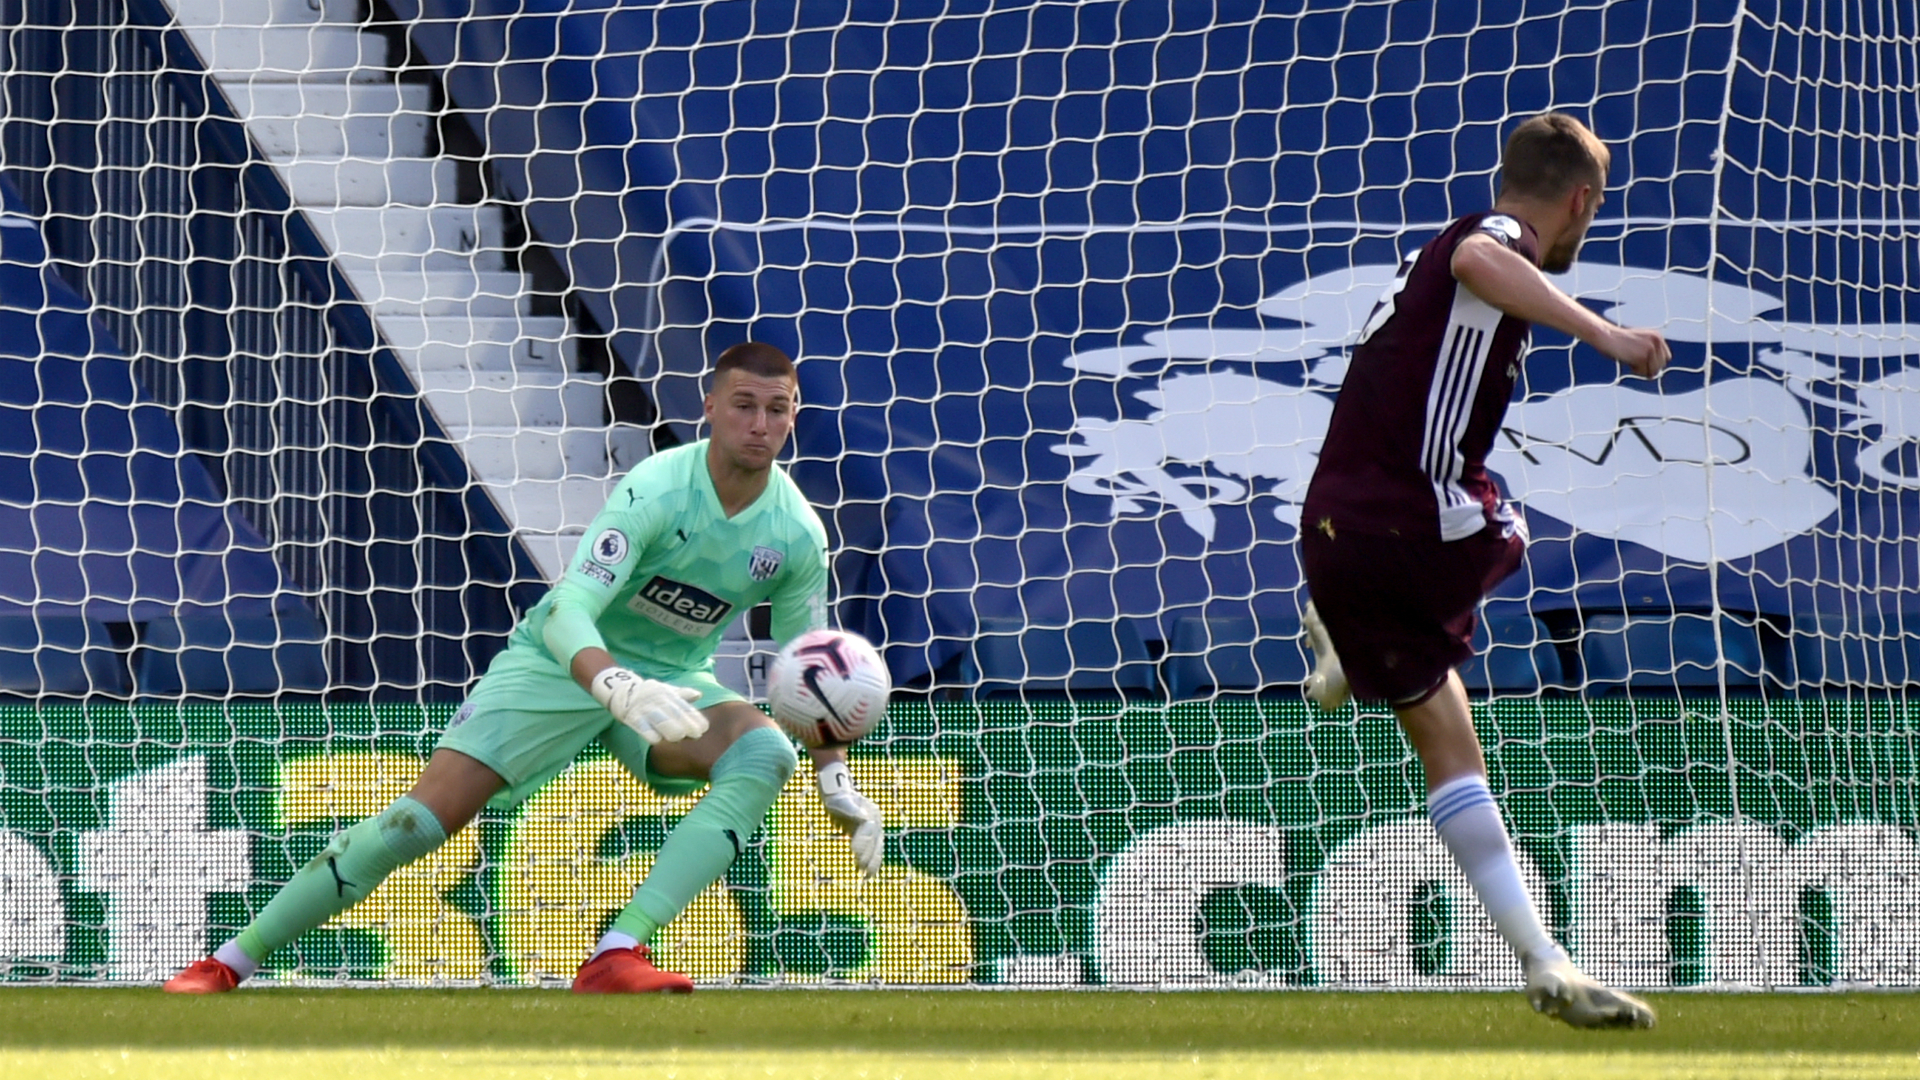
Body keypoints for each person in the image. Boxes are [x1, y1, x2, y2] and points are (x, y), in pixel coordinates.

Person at [165, 342, 885, 994]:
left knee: (762, 750)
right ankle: (229, 961)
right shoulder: (658, 488)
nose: (761, 424)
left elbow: (807, 677)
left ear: (794, 418)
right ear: (710, 409)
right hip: (559, 663)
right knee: (418, 823)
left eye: (778, 410)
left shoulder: (794, 534)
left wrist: (833, 773)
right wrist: (610, 682)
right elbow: (570, 602)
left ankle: (617, 953)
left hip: (671, 683)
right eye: (745, 405)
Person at [1297, 112, 1670, 1028]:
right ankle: (1345, 638)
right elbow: (1482, 258)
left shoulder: (1440, 245)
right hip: (1407, 516)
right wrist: (1606, 335)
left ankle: (1547, 964)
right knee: (1504, 526)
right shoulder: (1490, 237)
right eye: (1596, 207)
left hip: (1338, 524)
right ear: (1579, 200)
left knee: (1450, 748)